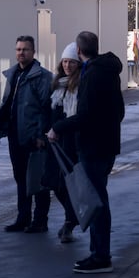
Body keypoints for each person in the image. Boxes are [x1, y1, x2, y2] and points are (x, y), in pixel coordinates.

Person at [48, 31, 125, 274]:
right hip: (107, 144)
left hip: (93, 147)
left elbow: (85, 115)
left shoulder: (91, 76)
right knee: (98, 199)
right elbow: (118, 111)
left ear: (80, 52)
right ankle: (98, 252)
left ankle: (100, 256)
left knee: (96, 202)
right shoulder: (109, 72)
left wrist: (58, 128)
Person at [0, 35, 52, 233]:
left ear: (33, 52)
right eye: (18, 49)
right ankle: (23, 217)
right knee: (20, 178)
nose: (21, 53)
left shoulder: (42, 76)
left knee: (38, 178)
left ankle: (40, 220)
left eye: (25, 49)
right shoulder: (13, 75)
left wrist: (40, 135)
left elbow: (46, 108)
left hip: (33, 137)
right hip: (15, 135)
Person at [46, 42, 82, 242]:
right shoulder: (56, 84)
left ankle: (70, 222)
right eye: (65, 61)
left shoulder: (79, 86)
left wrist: (58, 128)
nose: (67, 65)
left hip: (71, 143)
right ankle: (72, 218)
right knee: (54, 183)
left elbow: (77, 117)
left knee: (69, 184)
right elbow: (50, 110)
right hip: (54, 142)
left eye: (72, 62)